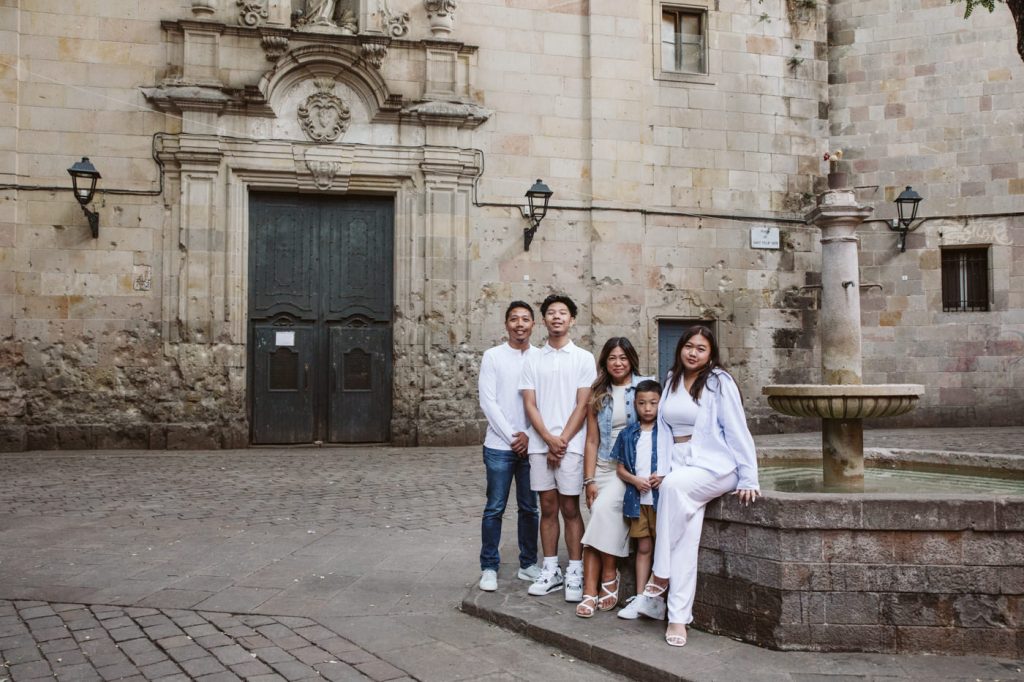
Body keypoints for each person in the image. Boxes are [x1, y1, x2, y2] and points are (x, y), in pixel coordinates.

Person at [627, 325, 759, 647]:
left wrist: (748, 476)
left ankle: (658, 579)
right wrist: (659, 468)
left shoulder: (719, 382)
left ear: (710, 353)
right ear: (681, 349)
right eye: (689, 346)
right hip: (679, 464)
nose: (693, 352)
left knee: (672, 489)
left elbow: (737, 429)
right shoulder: (671, 378)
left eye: (701, 348)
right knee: (686, 536)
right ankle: (677, 618)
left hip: (715, 464)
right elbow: (661, 428)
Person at [520, 294, 596, 602]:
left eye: (562, 313)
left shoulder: (583, 358)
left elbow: (583, 404)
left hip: (572, 445)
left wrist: (561, 439)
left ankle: (575, 569)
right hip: (540, 445)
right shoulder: (532, 359)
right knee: (547, 507)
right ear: (544, 320)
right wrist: (548, 440)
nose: (556, 317)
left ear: (572, 319)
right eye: (551, 313)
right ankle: (551, 568)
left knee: (569, 508)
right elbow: (529, 403)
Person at [574, 338, 650, 618]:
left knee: (602, 512)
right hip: (603, 468)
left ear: (631, 359)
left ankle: (596, 583)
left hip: (626, 470)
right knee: (599, 516)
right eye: (612, 358)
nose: (618, 363)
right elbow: (592, 440)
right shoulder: (599, 392)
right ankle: (600, 584)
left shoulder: (645, 386)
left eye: (623, 357)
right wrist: (589, 480)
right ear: (604, 362)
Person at [477, 302, 542, 591]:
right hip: (499, 445)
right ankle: (489, 566)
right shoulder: (493, 356)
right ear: (506, 325)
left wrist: (529, 434)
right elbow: (487, 401)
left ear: (533, 325)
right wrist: (514, 437)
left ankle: (528, 564)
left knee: (530, 508)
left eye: (525, 319)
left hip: (534, 445)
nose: (519, 324)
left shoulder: (541, 357)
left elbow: (546, 402)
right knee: (495, 507)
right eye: (514, 319)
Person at [612, 379, 663, 620]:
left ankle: (658, 597)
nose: (648, 408)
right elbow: (620, 469)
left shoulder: (666, 433)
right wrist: (634, 480)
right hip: (638, 500)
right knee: (643, 547)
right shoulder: (627, 433)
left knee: (663, 548)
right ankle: (641, 596)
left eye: (653, 403)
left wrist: (662, 476)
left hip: (662, 500)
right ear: (635, 404)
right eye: (642, 403)